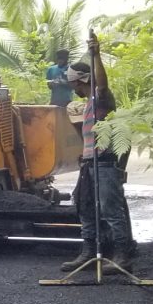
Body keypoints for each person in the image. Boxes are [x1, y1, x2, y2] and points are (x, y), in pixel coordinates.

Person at [61, 31, 134, 270]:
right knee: (86, 209)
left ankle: (122, 256)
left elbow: (102, 84)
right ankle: (88, 252)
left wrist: (96, 55)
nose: (73, 91)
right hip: (89, 164)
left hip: (105, 163)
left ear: (81, 80)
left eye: (74, 85)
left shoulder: (101, 97)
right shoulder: (88, 104)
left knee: (111, 210)